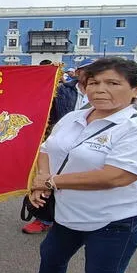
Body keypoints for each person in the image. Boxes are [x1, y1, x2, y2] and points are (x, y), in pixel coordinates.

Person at [0, 57, 137, 273]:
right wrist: (41, 177)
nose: (100, 89)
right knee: (51, 257)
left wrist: (51, 182)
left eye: (112, 83)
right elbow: (47, 148)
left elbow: (116, 176)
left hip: (115, 218)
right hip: (68, 211)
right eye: (93, 82)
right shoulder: (74, 118)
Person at [22, 60, 93, 234]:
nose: (92, 74)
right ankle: (43, 218)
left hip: (90, 143)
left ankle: (76, 218)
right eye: (87, 70)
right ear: (77, 72)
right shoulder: (62, 90)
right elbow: (43, 107)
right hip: (61, 138)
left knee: (81, 178)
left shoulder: (105, 95)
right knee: (47, 173)